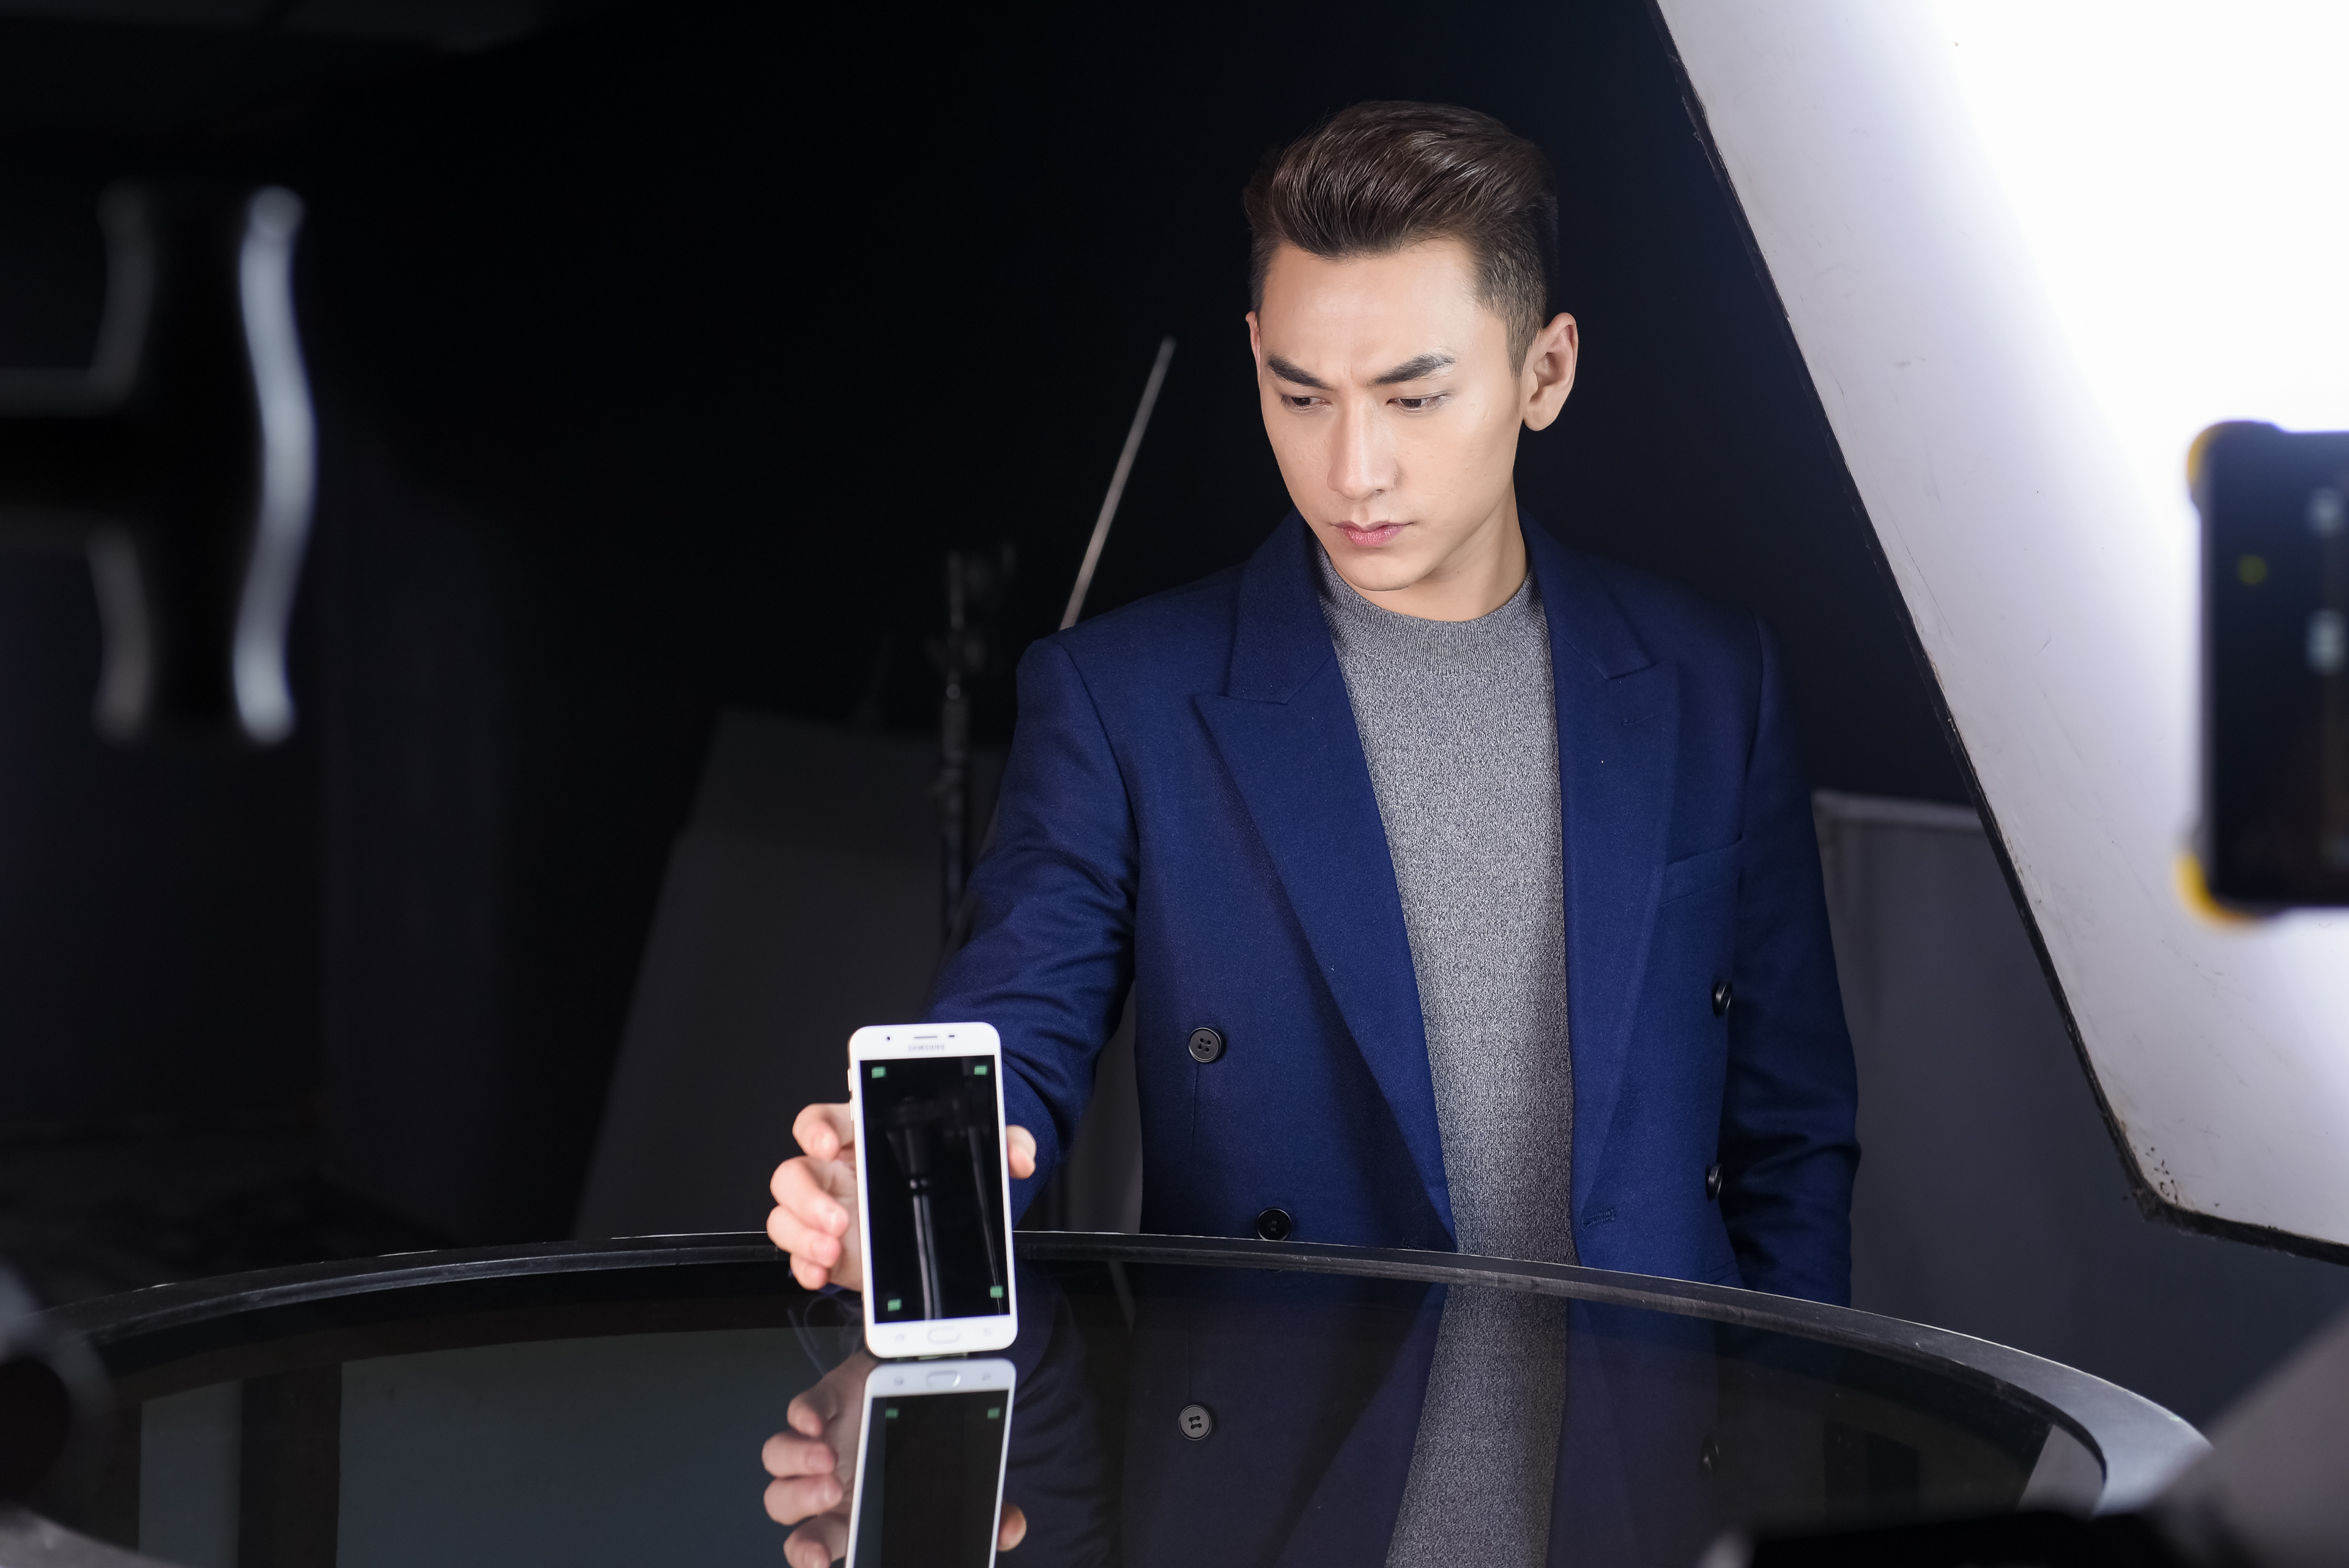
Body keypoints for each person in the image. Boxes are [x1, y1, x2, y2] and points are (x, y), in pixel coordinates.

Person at [768, 97, 1856, 1322]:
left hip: (1650, 1427)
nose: (1353, 471)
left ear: (1544, 372)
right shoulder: (1126, 698)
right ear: (1254, 360)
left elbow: (1793, 1135)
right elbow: (1016, 1027)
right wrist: (900, 1195)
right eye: (1302, 396)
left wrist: (1788, 1407)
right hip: (1280, 1421)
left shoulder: (1712, 683)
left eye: (1413, 397)